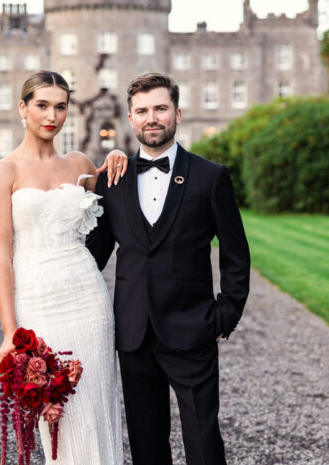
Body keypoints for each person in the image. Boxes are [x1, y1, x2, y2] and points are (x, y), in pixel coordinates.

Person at [86, 73, 251, 465]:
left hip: (192, 327)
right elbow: (96, 254)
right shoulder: (114, 179)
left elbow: (235, 253)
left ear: (177, 113)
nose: (152, 118)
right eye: (142, 111)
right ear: (130, 118)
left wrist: (225, 314)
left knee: (203, 440)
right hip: (133, 332)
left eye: (160, 108)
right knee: (146, 444)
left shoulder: (211, 177)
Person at [0, 71, 126, 464]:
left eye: (60, 106)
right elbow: (0, 257)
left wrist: (117, 157)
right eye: (42, 105)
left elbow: (119, 202)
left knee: (95, 405)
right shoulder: (2, 171)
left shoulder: (79, 163)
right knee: (57, 415)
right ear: (23, 108)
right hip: (38, 301)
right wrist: (11, 332)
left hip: (88, 298)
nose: (52, 115)